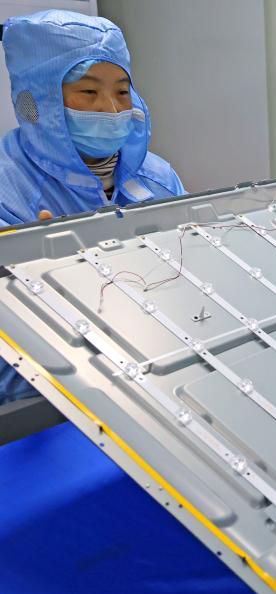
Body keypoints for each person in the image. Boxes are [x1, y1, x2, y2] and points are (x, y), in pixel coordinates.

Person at [0, 10, 186, 406]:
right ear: (38, 100)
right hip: (51, 407)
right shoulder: (8, 190)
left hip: (160, 383)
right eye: (88, 92)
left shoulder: (157, 177)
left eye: (122, 92)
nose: (111, 108)